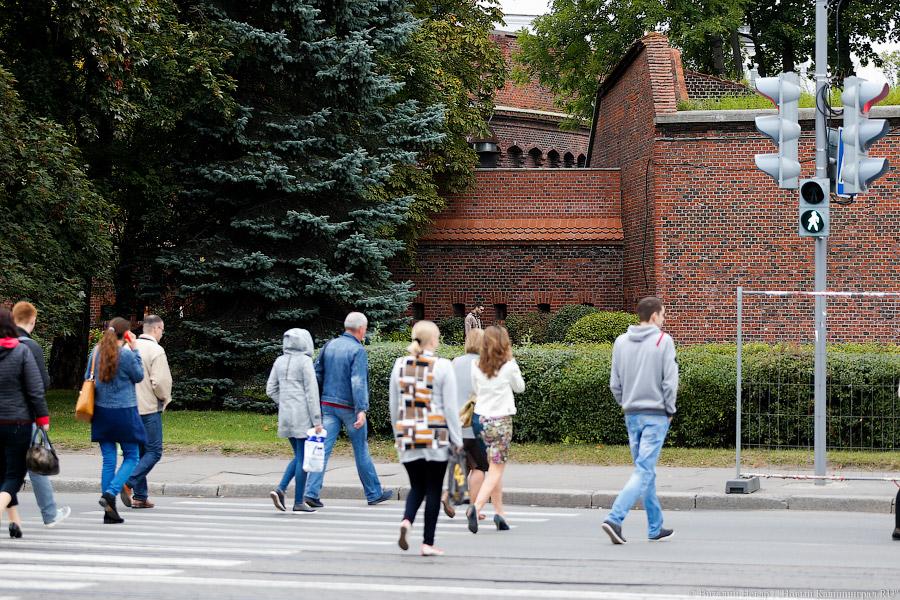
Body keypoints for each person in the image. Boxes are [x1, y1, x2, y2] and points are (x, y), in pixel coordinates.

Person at [602, 296, 679, 545]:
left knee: (645, 471)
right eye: (663, 315)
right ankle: (615, 518)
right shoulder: (662, 340)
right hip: (655, 414)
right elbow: (670, 381)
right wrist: (669, 410)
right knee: (644, 469)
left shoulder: (620, 342)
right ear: (655, 316)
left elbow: (615, 383)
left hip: (631, 413)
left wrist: (626, 403)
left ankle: (655, 526)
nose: (664, 320)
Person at [303, 312, 393, 507]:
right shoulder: (357, 350)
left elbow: (316, 374)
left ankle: (311, 492)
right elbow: (358, 381)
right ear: (361, 329)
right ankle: (373, 492)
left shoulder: (329, 345)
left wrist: (318, 402)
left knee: (323, 449)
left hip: (327, 405)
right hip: (350, 408)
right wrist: (361, 409)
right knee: (361, 450)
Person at [390, 321, 462, 556]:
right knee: (433, 488)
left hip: (408, 434)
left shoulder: (399, 365)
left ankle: (406, 521)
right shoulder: (442, 366)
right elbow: (450, 408)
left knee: (416, 486)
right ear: (433, 340)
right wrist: (457, 439)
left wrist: (397, 433)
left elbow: (394, 405)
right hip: (435, 435)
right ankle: (427, 543)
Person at [10, 301, 70, 527]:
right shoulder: (30, 347)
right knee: (36, 466)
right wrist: (42, 418)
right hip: (26, 416)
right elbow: (41, 384)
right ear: (32, 321)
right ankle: (49, 513)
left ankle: (15, 519)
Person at [465, 326, 524, 534]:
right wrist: (513, 363)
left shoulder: (475, 365)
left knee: (492, 466)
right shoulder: (508, 366)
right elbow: (520, 387)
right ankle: (476, 507)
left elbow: (475, 388)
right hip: (500, 421)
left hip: (480, 420)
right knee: (497, 468)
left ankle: (499, 513)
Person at [87, 317, 146, 524]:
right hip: (124, 412)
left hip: (101, 412)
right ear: (126, 333)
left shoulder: (96, 353)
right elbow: (138, 376)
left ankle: (109, 512)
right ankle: (110, 494)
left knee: (109, 460)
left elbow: (88, 377)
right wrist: (136, 349)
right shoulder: (128, 355)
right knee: (132, 456)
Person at [0, 307, 49, 539]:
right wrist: (43, 419)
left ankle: (15, 522)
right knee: (14, 475)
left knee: (3, 474)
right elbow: (35, 390)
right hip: (17, 421)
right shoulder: (21, 352)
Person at [267, 328, 323, 513]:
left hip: (285, 415)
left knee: (299, 456)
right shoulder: (306, 362)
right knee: (304, 458)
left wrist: (284, 402)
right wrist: (317, 420)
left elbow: (270, 389)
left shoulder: (279, 361)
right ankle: (297, 500)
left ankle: (281, 490)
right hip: (303, 416)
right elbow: (311, 393)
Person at [120, 315, 172, 510]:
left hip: (127, 407)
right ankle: (128, 483)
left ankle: (141, 497)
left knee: (140, 452)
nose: (162, 334)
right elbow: (160, 382)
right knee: (154, 451)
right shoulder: (156, 350)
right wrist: (165, 398)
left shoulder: (126, 348)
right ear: (157, 329)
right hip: (148, 407)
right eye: (162, 330)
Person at [450, 328, 489, 520]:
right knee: (480, 466)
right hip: (475, 421)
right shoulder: (483, 364)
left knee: (462, 462)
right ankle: (473, 507)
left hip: (456, 422)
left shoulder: (455, 362)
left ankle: (448, 497)